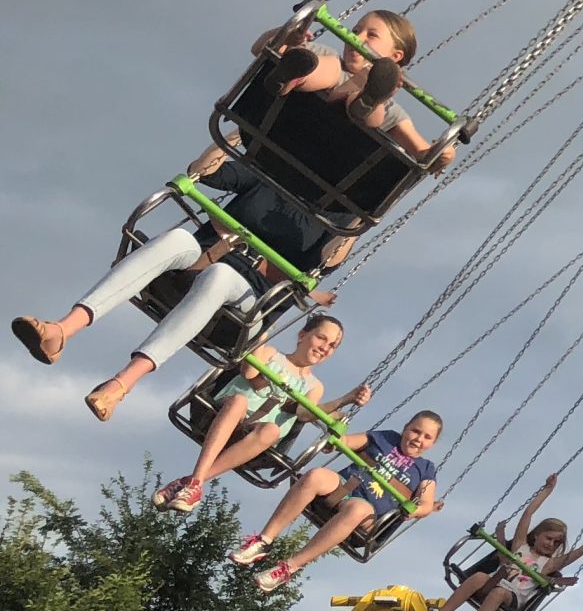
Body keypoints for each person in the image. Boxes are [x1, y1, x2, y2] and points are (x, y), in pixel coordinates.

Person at [16, 143, 353, 421]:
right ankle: (61, 331)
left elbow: (328, 260)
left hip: (248, 299)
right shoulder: (273, 175)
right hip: (203, 258)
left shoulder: (334, 218)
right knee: (177, 238)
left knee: (221, 276)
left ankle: (121, 384)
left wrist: (361, 221)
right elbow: (207, 172)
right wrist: (235, 134)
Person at [153, 316, 371, 513]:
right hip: (221, 415)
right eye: (321, 338)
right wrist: (263, 330)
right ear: (302, 335)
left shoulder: (314, 386)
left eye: (332, 346)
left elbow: (304, 414)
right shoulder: (270, 354)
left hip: (255, 441)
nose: (325, 348)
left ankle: (193, 482)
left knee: (272, 430)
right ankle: (195, 482)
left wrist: (344, 400)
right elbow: (249, 372)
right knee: (240, 401)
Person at [230, 410, 443, 590]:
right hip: (344, 486)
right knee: (314, 475)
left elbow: (425, 505)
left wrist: (413, 511)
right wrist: (334, 437)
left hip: (366, 517)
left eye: (427, 437)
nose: (418, 439)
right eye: (415, 431)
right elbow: (348, 442)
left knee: (357, 509)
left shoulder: (425, 470)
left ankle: (289, 567)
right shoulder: (385, 438)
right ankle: (263, 541)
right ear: (406, 428)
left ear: (433, 443)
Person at [432, 475, 583, 611]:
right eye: (548, 538)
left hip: (511, 598)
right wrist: (546, 491)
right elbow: (527, 515)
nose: (550, 544)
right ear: (537, 535)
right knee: (479, 576)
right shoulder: (520, 546)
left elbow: (582, 550)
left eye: (556, 543)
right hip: (494, 582)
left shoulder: (549, 564)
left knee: (498, 593)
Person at [255, 9, 451, 164]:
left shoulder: (393, 110)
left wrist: (442, 154)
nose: (357, 37)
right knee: (329, 65)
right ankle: (289, 76)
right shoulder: (323, 54)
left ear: (395, 56)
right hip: (281, 128)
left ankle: (367, 101)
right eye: (355, 31)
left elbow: (421, 152)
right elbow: (260, 48)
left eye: (371, 35)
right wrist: (286, 37)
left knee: (376, 105)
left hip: (328, 156)